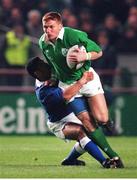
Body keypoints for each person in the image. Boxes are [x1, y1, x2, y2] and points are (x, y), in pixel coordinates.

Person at [37, 12, 125, 168]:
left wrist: (85, 57)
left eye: (51, 27)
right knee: (87, 122)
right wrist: (52, 78)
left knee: (102, 119)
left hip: (87, 78)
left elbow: (99, 51)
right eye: (45, 27)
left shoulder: (73, 35)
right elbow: (53, 64)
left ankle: (105, 121)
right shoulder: (43, 42)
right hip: (69, 85)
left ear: (60, 26)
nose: (47, 30)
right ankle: (114, 157)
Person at [26, 57, 124, 168]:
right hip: (59, 123)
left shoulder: (47, 74)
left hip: (72, 113)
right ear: (37, 73)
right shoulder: (43, 93)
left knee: (92, 134)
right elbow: (67, 95)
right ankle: (105, 162)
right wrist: (82, 80)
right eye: (43, 66)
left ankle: (69, 160)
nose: (47, 66)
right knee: (80, 132)